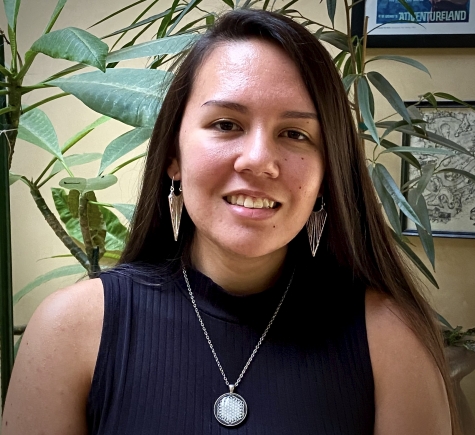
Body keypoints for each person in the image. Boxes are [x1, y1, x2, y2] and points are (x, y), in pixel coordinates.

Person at [2, 9, 457, 435]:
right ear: (174, 156)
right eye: (226, 124)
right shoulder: (73, 329)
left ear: (327, 174)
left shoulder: (390, 339)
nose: (260, 160)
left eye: (295, 133)